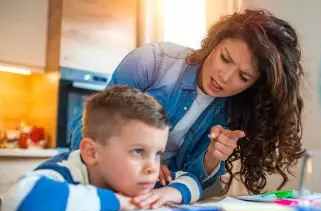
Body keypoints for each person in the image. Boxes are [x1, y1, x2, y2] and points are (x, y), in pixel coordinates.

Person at [70, 9, 304, 194]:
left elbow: (195, 181)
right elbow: (91, 129)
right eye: (225, 58)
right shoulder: (152, 62)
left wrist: (213, 156)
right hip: (99, 181)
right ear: (214, 43)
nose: (225, 77)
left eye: (243, 77)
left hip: (159, 196)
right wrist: (143, 162)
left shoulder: (233, 110)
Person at [1, 86, 202, 211]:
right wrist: (121, 202)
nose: (152, 167)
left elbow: (192, 182)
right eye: (138, 151)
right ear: (91, 152)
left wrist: (165, 194)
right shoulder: (67, 171)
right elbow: (18, 201)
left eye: (158, 153)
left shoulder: (143, 178)